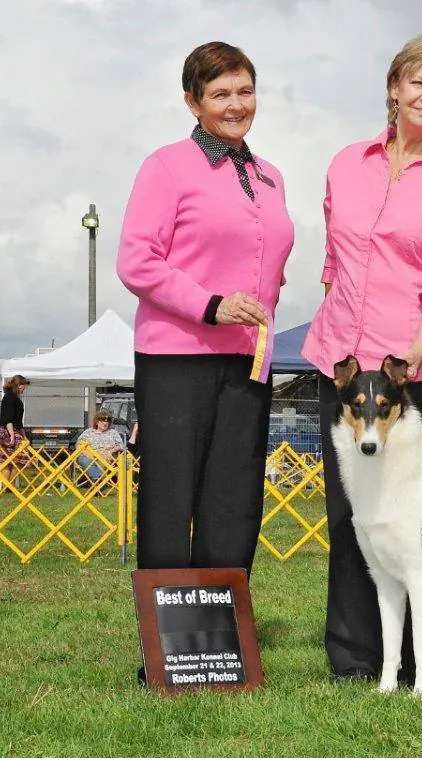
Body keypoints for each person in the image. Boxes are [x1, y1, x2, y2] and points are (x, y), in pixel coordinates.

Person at [301, 33, 422, 685]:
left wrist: (411, 352)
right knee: (354, 515)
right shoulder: (344, 166)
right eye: (418, 82)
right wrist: (334, 344)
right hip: (345, 370)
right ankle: (353, 658)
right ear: (394, 87)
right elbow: (332, 264)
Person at [116, 41, 294, 576]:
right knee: (170, 502)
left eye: (245, 90)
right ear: (193, 102)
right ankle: (168, 652)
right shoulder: (166, 167)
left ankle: (221, 644)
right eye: (220, 94)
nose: (236, 103)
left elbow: (273, 265)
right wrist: (211, 305)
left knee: (235, 503)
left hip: (247, 362)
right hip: (177, 360)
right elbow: (136, 261)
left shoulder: (271, 176)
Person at [75, 409, 125, 482]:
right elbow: (78, 444)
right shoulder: (88, 432)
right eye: (103, 420)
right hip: (89, 456)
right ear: (97, 421)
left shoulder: (113, 433)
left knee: (101, 463)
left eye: (108, 420)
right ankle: (97, 479)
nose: (106, 422)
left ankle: (96, 482)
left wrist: (111, 451)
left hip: (106, 457)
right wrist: (88, 454)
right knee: (85, 460)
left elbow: (121, 445)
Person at [0, 374, 30, 485]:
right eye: (24, 386)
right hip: (8, 430)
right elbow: (8, 419)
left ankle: (9, 486)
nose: (24, 389)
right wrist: (11, 435)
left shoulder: (17, 399)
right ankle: (8, 486)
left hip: (14, 429)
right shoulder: (9, 398)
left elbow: (19, 421)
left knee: (12, 459)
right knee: (20, 457)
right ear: (19, 385)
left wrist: (24, 436)